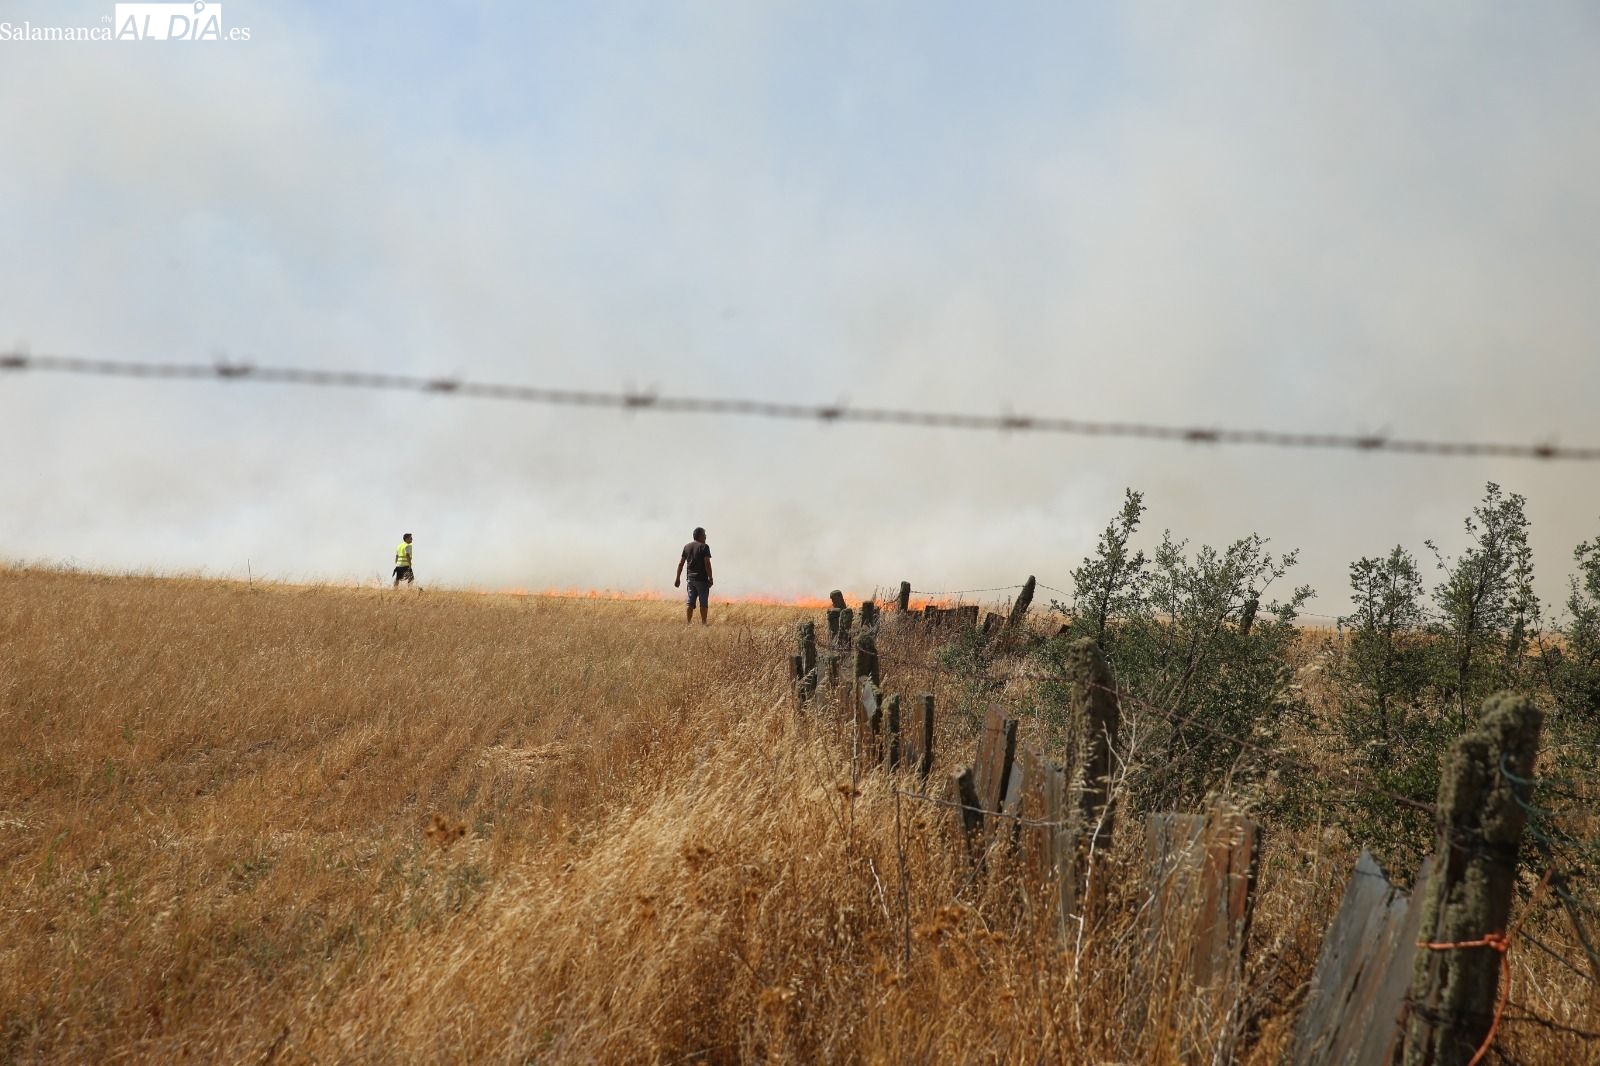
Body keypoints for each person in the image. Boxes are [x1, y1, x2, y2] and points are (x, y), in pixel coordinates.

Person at [674, 526, 713, 625]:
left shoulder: (687, 547)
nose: (705, 537)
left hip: (690, 579)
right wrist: (710, 577)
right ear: (700, 536)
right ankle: (704, 624)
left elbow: (681, 563)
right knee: (703, 602)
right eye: (704, 535)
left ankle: (688, 623)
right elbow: (707, 562)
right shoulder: (704, 547)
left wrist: (678, 578)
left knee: (690, 602)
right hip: (702, 579)